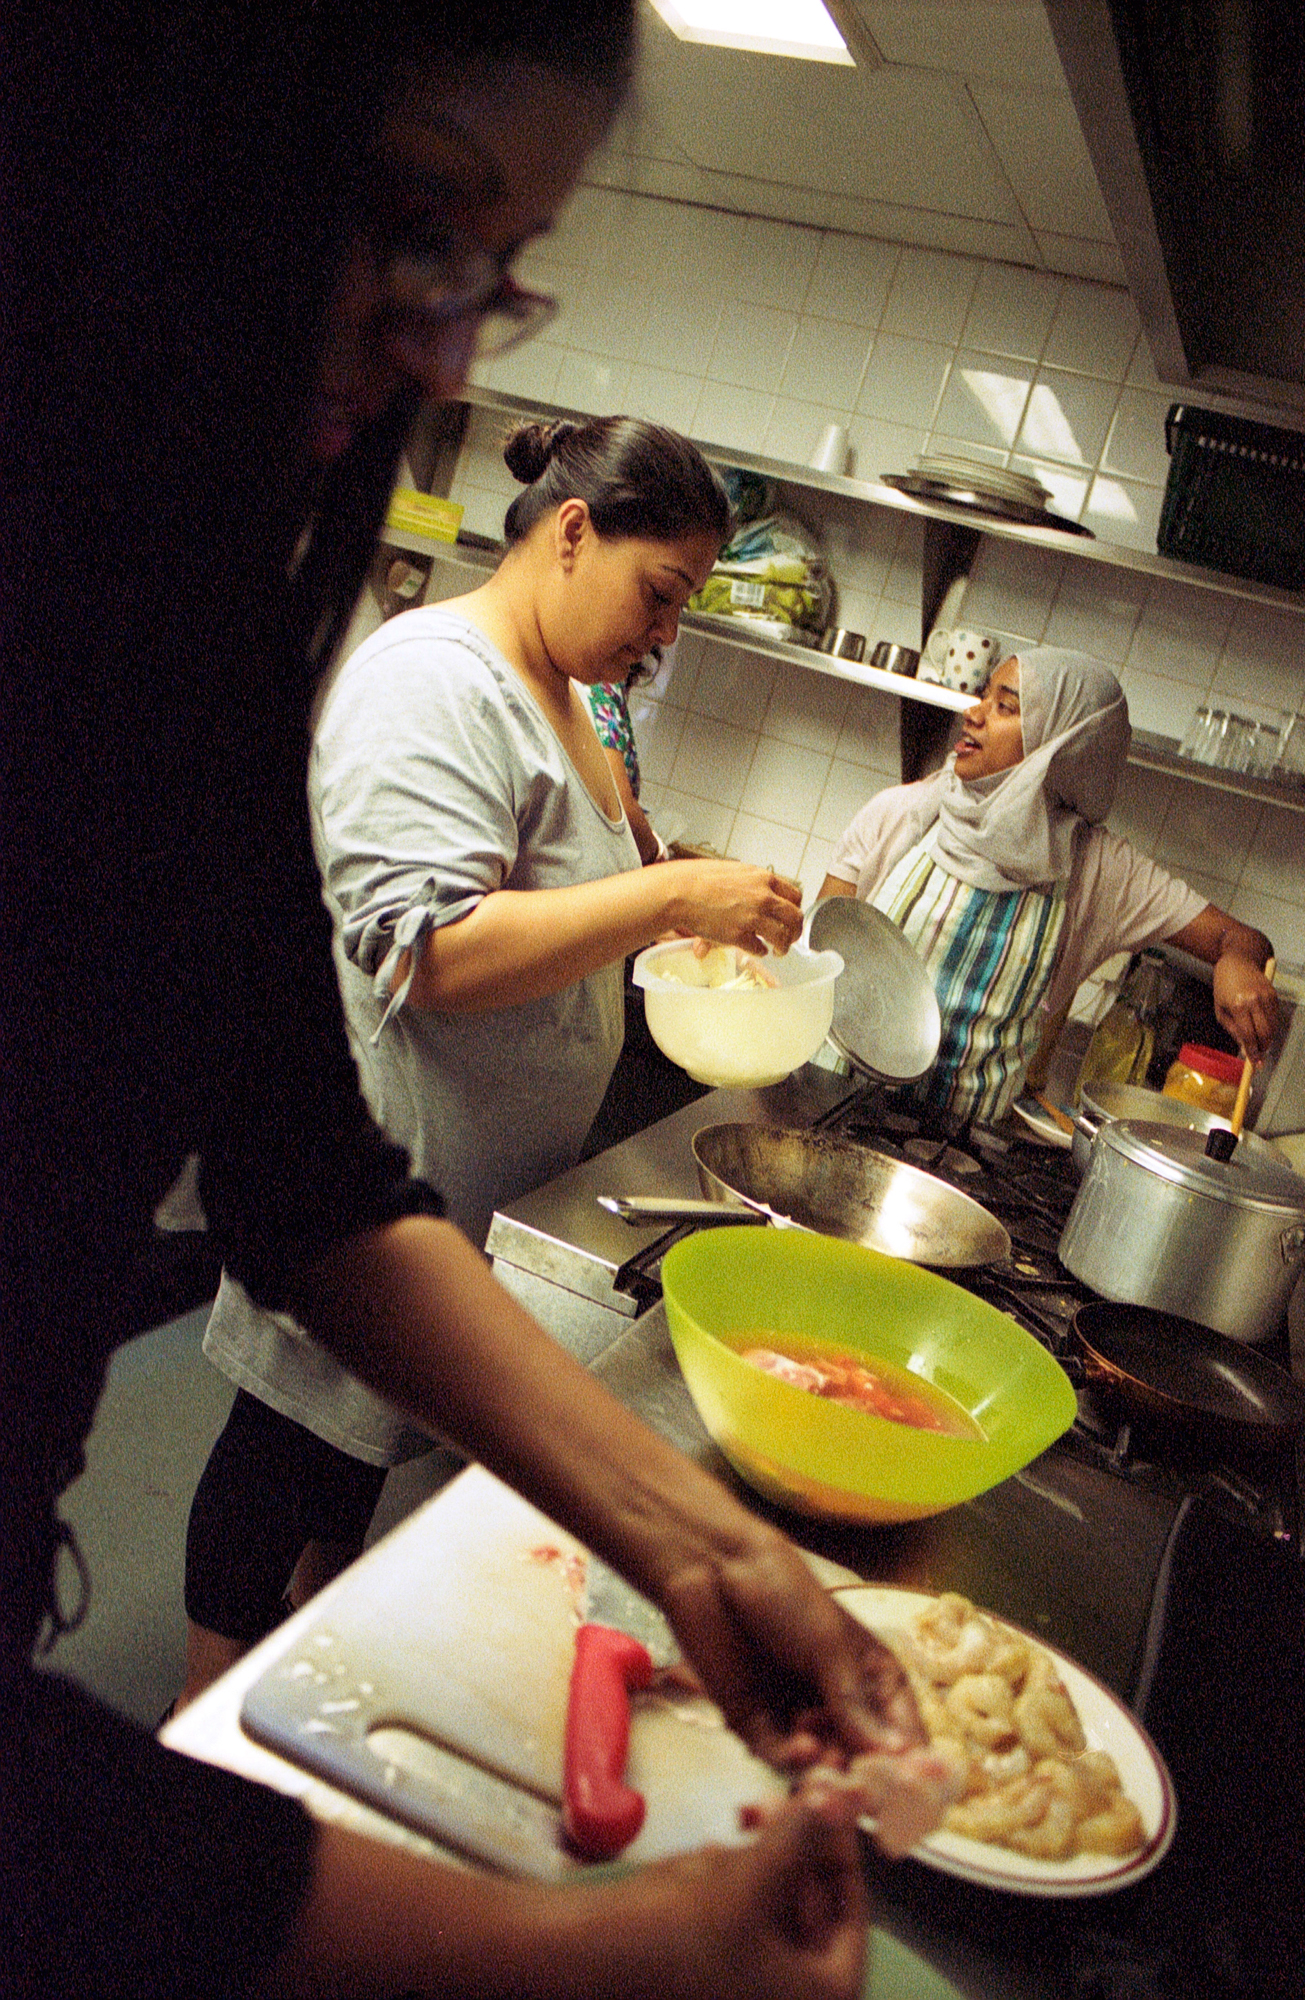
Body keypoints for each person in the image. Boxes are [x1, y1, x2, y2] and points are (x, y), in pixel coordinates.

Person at [3, 11, 928, 1998]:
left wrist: (708, 1547)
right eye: (415, 221)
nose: (446, 352)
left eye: (492, 271)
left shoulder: (166, 635)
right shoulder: (395, 672)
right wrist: (582, 1961)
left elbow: (303, 1174)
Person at [182, 413, 806, 1699]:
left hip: (467, 1176)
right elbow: (429, 951)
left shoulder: (572, 696)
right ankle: (203, 1704)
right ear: (574, 531)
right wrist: (666, 896)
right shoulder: (436, 680)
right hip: (370, 1173)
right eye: (661, 591)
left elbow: (569, 886)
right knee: (287, 1443)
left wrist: (675, 890)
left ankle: (312, 1665)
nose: (665, 631)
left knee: (353, 1453)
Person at [817, 647, 1278, 1127]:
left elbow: (1242, 940)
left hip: (959, 1148)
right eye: (983, 696)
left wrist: (1237, 962)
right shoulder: (899, 813)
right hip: (828, 1105)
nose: (973, 714)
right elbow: (814, 956)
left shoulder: (1101, 870)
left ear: (1064, 744)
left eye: (1005, 706)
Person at [586, 652, 668, 861]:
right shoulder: (602, 684)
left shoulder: (606, 683)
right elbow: (619, 804)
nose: (668, 638)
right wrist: (657, 854)